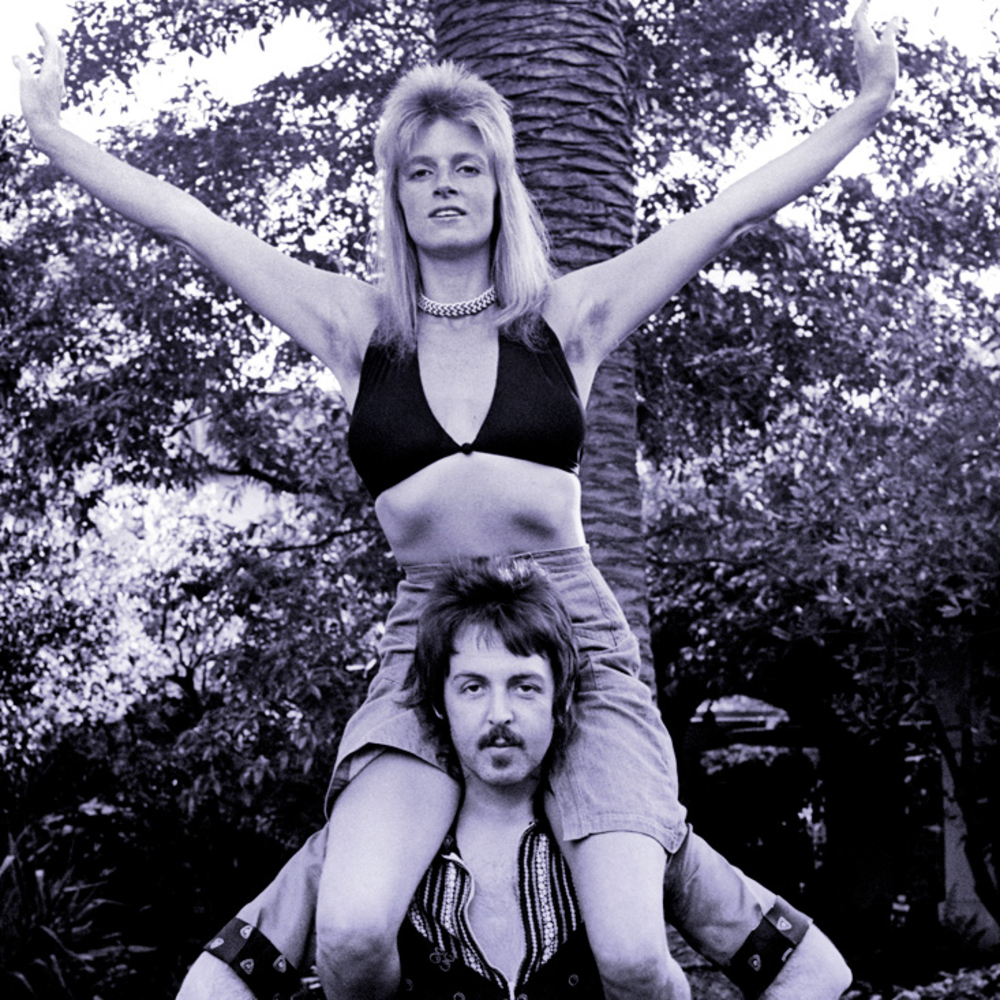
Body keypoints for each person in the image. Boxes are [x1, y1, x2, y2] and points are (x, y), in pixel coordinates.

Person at [15, 4, 899, 998]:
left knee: (630, 953)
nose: (444, 185)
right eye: (421, 170)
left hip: (574, 638)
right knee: (353, 933)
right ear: (396, 195)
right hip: (425, 646)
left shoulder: (565, 317)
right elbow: (191, 223)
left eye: (467, 166)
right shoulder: (355, 327)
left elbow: (727, 212)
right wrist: (50, 130)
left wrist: (865, 105)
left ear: (499, 184)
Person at [177, 557, 852, 999]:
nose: (499, 714)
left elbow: (815, 968)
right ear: (439, 704)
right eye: (473, 686)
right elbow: (214, 984)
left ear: (560, 702)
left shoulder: (627, 842)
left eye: (524, 687)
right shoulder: (367, 851)